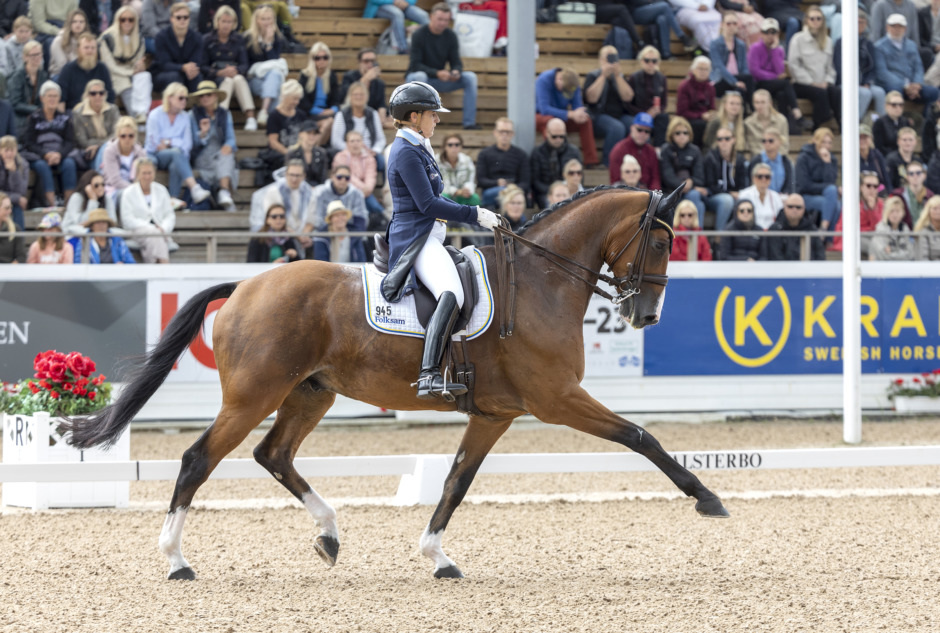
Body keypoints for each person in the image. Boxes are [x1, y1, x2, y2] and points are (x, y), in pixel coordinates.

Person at [382, 81, 499, 399]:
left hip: (429, 235)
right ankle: (428, 375)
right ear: (414, 116)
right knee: (452, 292)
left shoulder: (419, 146)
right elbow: (428, 204)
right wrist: (474, 214)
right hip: (415, 240)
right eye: (433, 114)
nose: (437, 120)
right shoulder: (405, 151)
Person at [405, 3, 479, 131]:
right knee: (420, 76)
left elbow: (456, 61)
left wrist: (456, 71)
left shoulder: (450, 36)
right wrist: (437, 73)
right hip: (418, 79)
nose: (443, 23)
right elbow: (415, 65)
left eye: (446, 20)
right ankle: (420, 122)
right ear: (431, 17)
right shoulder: (419, 35)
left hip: (437, 81)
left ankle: (469, 123)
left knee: (470, 77)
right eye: (440, 19)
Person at [145, 82, 210, 203]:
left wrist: (169, 142)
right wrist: (175, 144)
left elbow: (187, 145)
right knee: (177, 153)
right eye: (180, 98)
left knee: (176, 161)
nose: (184, 101)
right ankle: (194, 187)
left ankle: (172, 199)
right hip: (155, 156)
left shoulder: (185, 117)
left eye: (186, 98)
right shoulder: (155, 115)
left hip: (176, 157)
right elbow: (154, 145)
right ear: (169, 98)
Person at [747, 18, 811, 134]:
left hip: (774, 84)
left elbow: (780, 70)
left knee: (782, 94)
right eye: (767, 32)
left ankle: (787, 127)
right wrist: (774, 77)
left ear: (777, 34)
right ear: (762, 33)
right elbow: (755, 71)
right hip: (759, 84)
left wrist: (774, 50)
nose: (770, 35)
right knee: (786, 83)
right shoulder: (754, 48)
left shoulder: (779, 50)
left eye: (773, 32)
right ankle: (797, 114)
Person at [21, 81, 77, 207]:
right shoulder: (34, 118)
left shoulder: (66, 118)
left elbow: (70, 142)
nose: (52, 99)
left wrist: (59, 154)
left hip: (60, 154)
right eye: (49, 96)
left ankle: (69, 205)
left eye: (55, 96)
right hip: (40, 155)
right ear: (42, 98)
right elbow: (28, 142)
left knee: (70, 163)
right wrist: (45, 154)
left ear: (59, 99)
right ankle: (52, 204)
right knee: (42, 166)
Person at [200, 5, 256, 131]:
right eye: (223, 21)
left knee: (238, 79)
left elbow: (244, 64)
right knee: (228, 81)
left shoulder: (238, 39)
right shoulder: (207, 40)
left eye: (229, 22)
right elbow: (202, 65)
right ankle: (221, 116)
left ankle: (250, 117)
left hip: (235, 73)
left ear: (234, 23)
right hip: (215, 76)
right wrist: (219, 72)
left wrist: (236, 71)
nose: (226, 25)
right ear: (217, 21)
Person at [875, 13, 939, 113]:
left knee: (933, 92)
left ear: (905, 29)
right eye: (893, 26)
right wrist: (905, 86)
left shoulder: (911, 45)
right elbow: (882, 73)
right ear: (887, 27)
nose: (897, 29)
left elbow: (918, 67)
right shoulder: (879, 47)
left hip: (912, 85)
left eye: (900, 26)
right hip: (893, 84)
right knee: (895, 92)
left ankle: (927, 123)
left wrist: (917, 84)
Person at [188, 80, 237, 210]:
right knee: (226, 164)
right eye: (201, 96)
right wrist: (203, 134)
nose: (204, 98)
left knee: (226, 155)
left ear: (215, 96)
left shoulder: (225, 114)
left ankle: (224, 192)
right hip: (202, 156)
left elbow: (231, 139)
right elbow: (193, 143)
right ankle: (225, 195)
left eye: (208, 94)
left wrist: (228, 145)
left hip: (221, 155)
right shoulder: (193, 115)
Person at [583, 45, 636, 166]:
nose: (611, 62)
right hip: (598, 116)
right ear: (601, 60)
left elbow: (628, 97)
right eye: (608, 58)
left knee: (637, 125)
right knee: (617, 128)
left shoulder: (620, 77)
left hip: (620, 115)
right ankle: (609, 163)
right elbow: (591, 99)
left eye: (614, 58)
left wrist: (617, 76)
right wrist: (603, 76)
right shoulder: (593, 76)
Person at [98, 6, 152, 122]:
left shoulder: (139, 38)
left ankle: (142, 114)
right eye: (123, 19)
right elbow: (110, 65)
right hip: (114, 74)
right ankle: (135, 116)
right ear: (118, 20)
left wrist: (138, 68)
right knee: (125, 85)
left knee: (144, 77)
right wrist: (130, 72)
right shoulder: (107, 38)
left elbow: (138, 60)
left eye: (130, 19)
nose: (127, 23)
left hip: (131, 72)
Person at [120, 157, 174, 262]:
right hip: (137, 232)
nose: (147, 176)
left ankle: (152, 268)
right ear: (138, 174)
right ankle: (164, 265)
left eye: (150, 173)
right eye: (144, 173)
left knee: (154, 237)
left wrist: (163, 228)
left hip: (160, 232)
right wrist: (152, 228)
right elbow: (127, 220)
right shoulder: (128, 192)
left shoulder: (161, 190)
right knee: (154, 234)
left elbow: (169, 215)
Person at [834, 11, 885, 123]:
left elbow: (872, 66)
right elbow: (838, 66)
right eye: (857, 22)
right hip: (845, 83)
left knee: (880, 92)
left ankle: (882, 124)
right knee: (865, 93)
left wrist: (867, 82)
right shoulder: (841, 42)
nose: (859, 25)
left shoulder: (868, 44)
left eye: (862, 23)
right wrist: (854, 83)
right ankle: (853, 124)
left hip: (864, 83)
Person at [659, 115, 707, 226]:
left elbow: (700, 177)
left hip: (691, 191)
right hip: (671, 192)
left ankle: (693, 237)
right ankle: (696, 236)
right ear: (671, 134)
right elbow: (667, 176)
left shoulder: (695, 150)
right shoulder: (666, 149)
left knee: (697, 199)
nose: (682, 136)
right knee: (698, 202)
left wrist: (691, 182)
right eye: (678, 133)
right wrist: (683, 185)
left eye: (685, 133)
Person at [330, 81, 385, 172]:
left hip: (369, 153)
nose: (358, 97)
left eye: (362, 94)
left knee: (382, 161)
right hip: (348, 152)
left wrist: (375, 150)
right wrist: (354, 150)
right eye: (355, 94)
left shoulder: (373, 114)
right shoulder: (341, 115)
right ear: (350, 97)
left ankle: (386, 186)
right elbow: (336, 141)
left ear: (367, 97)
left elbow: (381, 139)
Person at [476, 117, 531, 208]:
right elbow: (481, 180)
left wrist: (511, 188)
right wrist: (497, 183)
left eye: (508, 132)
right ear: (495, 133)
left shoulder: (521, 155)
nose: (504, 135)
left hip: (514, 190)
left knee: (515, 197)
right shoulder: (485, 154)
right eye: (501, 131)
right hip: (492, 191)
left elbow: (525, 182)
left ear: (512, 134)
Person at [795, 127, 841, 231]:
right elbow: (804, 185)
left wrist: (827, 164)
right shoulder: (804, 157)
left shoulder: (831, 159)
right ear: (815, 140)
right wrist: (829, 188)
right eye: (823, 142)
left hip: (826, 197)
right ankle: (826, 236)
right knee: (833, 200)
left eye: (829, 143)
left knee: (837, 204)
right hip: (806, 196)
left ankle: (825, 234)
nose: (827, 146)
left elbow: (830, 182)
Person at [531, 117, 583, 209]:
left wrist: (565, 190)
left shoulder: (574, 152)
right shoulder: (537, 152)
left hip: (569, 191)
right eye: (554, 136)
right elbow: (535, 181)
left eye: (561, 136)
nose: (558, 139)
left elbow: (580, 176)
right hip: (545, 193)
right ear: (547, 133)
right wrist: (555, 190)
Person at [704, 124, 748, 230]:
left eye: (727, 139)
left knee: (746, 201)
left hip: (734, 195)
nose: (723, 142)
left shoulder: (739, 159)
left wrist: (738, 193)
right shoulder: (710, 158)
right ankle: (720, 238)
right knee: (727, 200)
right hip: (713, 197)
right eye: (720, 139)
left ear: (733, 140)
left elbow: (743, 184)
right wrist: (729, 193)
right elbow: (711, 185)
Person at [56, 32, 116, 110]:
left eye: (93, 48)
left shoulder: (102, 68)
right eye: (86, 48)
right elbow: (61, 99)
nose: (90, 51)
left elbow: (110, 96)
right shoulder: (68, 69)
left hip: (99, 113)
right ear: (78, 50)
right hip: (74, 113)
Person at [305, 163, 367, 238]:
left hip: (349, 234)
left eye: (347, 178)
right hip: (323, 233)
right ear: (332, 177)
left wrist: (352, 238)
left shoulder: (357, 194)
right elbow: (316, 219)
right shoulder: (319, 192)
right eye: (339, 177)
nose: (343, 180)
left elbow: (360, 220)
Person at [152, 2, 203, 92]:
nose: (182, 20)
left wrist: (190, 68)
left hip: (187, 74)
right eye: (178, 17)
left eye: (185, 17)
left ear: (189, 19)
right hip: (164, 75)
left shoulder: (197, 37)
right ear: (171, 18)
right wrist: (182, 67)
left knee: (197, 76)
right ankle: (177, 105)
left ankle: (196, 105)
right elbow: (164, 64)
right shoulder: (161, 37)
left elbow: (197, 61)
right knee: (175, 76)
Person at [831, 172, 885, 256]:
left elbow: (881, 227)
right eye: (868, 185)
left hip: (875, 237)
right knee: (875, 245)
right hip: (853, 238)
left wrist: (873, 210)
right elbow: (851, 229)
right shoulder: (852, 204)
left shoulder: (882, 204)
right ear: (861, 187)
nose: (872, 189)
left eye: (875, 186)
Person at [70, 79, 118, 172]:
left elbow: (116, 133)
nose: (98, 96)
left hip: (111, 148)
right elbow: (82, 141)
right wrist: (103, 145)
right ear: (87, 95)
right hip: (90, 153)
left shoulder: (113, 110)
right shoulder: (78, 113)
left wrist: (99, 145)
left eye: (101, 93)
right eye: (93, 93)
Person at [333, 130, 383, 218]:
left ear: (362, 143)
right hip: (345, 191)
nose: (355, 144)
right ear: (347, 143)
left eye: (358, 141)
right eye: (352, 141)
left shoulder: (369, 158)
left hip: (365, 193)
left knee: (376, 208)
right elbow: (347, 177)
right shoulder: (340, 157)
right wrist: (363, 188)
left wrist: (367, 189)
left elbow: (371, 176)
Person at [760, 193, 825, 261]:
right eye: (790, 206)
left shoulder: (811, 229)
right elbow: (775, 256)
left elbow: (820, 254)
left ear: (804, 209)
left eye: (798, 207)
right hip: (781, 269)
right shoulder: (775, 229)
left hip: (808, 269)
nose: (794, 210)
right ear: (784, 207)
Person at [626, 46, 669, 146]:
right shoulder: (634, 78)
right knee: (642, 123)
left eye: (654, 60)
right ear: (641, 61)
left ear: (658, 62)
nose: (650, 63)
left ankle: (659, 149)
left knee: (663, 118)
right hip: (637, 113)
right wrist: (645, 114)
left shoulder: (661, 78)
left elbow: (664, 103)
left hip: (655, 114)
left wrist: (657, 110)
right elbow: (628, 104)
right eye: (647, 60)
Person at [627, 0, 696, 61]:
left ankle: (666, 54)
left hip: (652, 8)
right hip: (636, 13)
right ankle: (682, 36)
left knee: (662, 19)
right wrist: (651, 2)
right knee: (664, 6)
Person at [264, 79, 308, 172]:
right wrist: (288, 153)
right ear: (286, 96)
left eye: (298, 99)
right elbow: (273, 142)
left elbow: (304, 136)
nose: (297, 102)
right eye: (294, 98)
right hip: (280, 153)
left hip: (297, 151)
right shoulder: (274, 115)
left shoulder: (301, 115)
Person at [709, 13, 753, 104]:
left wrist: (742, 81)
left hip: (737, 78)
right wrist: (735, 82)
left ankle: (748, 112)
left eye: (734, 23)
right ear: (722, 24)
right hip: (721, 79)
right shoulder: (715, 44)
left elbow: (744, 66)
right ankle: (753, 108)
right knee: (744, 84)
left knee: (743, 88)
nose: (732, 26)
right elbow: (719, 67)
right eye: (728, 23)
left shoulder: (741, 44)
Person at [608, 112, 660, 190]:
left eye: (647, 131)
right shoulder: (619, 150)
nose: (643, 134)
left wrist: (654, 195)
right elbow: (616, 181)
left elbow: (655, 178)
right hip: (624, 193)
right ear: (632, 128)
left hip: (647, 194)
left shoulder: (651, 151)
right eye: (639, 130)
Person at [298, 41, 339, 140]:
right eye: (317, 58)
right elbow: (303, 102)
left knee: (333, 120)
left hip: (328, 113)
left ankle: (315, 146)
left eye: (325, 57)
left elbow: (337, 99)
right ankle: (316, 146)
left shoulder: (331, 76)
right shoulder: (305, 76)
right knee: (329, 122)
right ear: (312, 59)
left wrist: (332, 110)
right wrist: (321, 112)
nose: (322, 60)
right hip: (310, 114)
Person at [99, 115, 146, 200]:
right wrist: (135, 190)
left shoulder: (141, 152)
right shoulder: (109, 151)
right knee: (127, 196)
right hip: (113, 190)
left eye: (131, 136)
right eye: (123, 136)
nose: (127, 139)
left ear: (135, 136)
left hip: (136, 189)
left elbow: (143, 176)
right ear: (118, 136)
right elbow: (115, 181)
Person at [340, 48, 391, 127]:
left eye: (372, 61)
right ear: (360, 62)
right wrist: (365, 79)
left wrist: (382, 112)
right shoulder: (349, 77)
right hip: (352, 113)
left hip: (372, 115)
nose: (370, 64)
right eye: (366, 61)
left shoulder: (379, 83)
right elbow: (346, 97)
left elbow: (381, 104)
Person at [68, 206, 135, 263]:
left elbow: (130, 261)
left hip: (116, 275)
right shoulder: (84, 242)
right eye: (98, 222)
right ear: (92, 226)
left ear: (108, 225)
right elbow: (79, 264)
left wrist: (123, 266)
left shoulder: (117, 240)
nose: (101, 225)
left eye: (104, 222)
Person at [676, 56, 716, 148]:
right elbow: (682, 112)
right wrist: (701, 116)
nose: (703, 72)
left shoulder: (711, 88)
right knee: (699, 125)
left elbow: (712, 107)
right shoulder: (684, 86)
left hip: (705, 119)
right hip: (688, 119)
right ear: (693, 70)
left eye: (706, 69)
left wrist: (712, 114)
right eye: (700, 69)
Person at [363, 0, 429, 56]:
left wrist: (406, 2)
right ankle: (402, 49)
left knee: (423, 15)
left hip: (404, 5)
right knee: (397, 14)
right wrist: (393, 1)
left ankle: (429, 47)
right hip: (380, 5)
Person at [8, 40, 48, 131]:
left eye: (39, 54)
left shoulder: (43, 75)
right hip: (20, 116)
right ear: (25, 57)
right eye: (33, 55)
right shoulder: (17, 77)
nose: (37, 57)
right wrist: (36, 110)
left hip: (39, 114)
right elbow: (14, 103)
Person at [61, 169, 118, 233]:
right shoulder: (76, 197)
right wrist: (93, 201)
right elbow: (79, 222)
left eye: (103, 184)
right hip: (72, 234)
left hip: (98, 234)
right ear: (88, 186)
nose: (100, 187)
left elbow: (113, 221)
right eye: (96, 185)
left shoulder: (107, 199)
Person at [285, 119, 330, 188]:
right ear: (300, 134)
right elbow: (290, 175)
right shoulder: (292, 153)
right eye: (309, 133)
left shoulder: (321, 153)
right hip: (298, 188)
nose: (312, 136)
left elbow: (323, 177)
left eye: (315, 134)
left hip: (318, 189)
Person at [738, 161, 783, 229]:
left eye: (767, 177)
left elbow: (780, 219)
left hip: (771, 235)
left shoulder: (775, 196)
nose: (763, 179)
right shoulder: (745, 195)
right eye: (760, 176)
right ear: (753, 178)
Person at [744, 89, 789, 157]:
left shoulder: (781, 120)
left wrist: (772, 157)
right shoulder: (748, 123)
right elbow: (752, 147)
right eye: (757, 102)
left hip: (778, 158)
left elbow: (784, 145)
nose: (759, 106)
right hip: (758, 160)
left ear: (770, 103)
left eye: (763, 102)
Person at [438, 133, 479, 206]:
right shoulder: (437, 161)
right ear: (445, 147)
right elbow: (440, 185)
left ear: (461, 147)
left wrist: (467, 190)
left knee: (475, 198)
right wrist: (456, 191)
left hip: (462, 194)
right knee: (443, 197)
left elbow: (470, 180)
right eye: (450, 145)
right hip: (445, 194)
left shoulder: (467, 160)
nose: (454, 147)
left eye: (457, 145)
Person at [870, 194, 915, 260]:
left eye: (898, 211)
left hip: (902, 267)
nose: (895, 214)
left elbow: (910, 253)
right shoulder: (881, 228)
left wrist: (892, 252)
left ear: (903, 213)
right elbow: (883, 255)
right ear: (886, 212)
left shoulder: (905, 228)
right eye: (892, 211)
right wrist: (901, 254)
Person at [873, 91, 916, 157]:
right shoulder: (879, 123)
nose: (898, 107)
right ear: (886, 106)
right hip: (886, 158)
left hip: (905, 156)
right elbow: (879, 148)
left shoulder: (905, 122)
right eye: (894, 105)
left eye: (901, 105)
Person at [892, 160, 933, 228]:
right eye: (911, 173)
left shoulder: (930, 196)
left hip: (925, 233)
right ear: (907, 177)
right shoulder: (898, 195)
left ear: (924, 175)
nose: (915, 176)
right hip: (904, 233)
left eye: (918, 173)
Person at [0, 136, 29, 229]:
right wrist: (16, 198)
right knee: (16, 202)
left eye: (12, 150)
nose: (9, 153)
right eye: (6, 150)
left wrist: (13, 172)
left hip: (13, 202)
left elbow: (21, 191)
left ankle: (19, 240)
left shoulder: (23, 165)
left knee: (16, 207)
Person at [49, 8, 87, 76]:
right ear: (69, 23)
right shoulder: (58, 41)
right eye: (74, 22)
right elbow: (63, 67)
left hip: (82, 74)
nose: (78, 25)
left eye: (81, 22)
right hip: (59, 75)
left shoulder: (87, 41)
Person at [859, 124, 891, 191]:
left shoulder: (877, 156)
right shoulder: (851, 157)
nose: (862, 140)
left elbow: (886, 179)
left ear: (871, 138)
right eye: (859, 138)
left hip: (877, 193)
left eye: (865, 137)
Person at [0, 192, 26, 264]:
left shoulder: (15, 229)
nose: (10, 211)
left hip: (9, 272)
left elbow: (21, 257)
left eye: (11, 207)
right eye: (7, 208)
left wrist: (10, 270)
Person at [914, 194, 940, 259]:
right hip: (930, 267)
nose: (938, 211)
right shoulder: (923, 231)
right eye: (935, 208)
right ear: (928, 211)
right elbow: (923, 257)